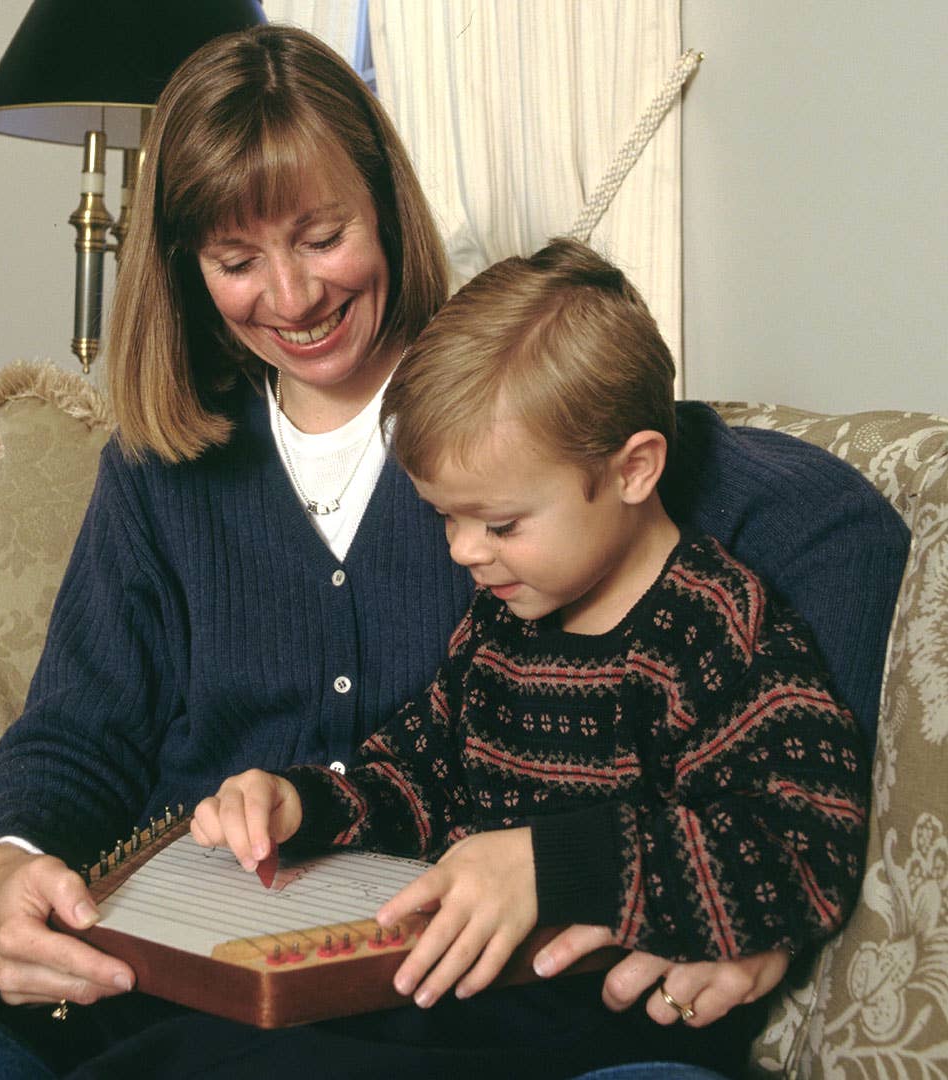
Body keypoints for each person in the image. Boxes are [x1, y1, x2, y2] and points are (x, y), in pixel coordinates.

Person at [0, 24, 907, 1080]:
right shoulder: (161, 468)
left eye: (322, 237)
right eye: (236, 260)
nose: (290, 297)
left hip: (405, 1005)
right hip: (166, 974)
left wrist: (752, 914)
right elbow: (83, 740)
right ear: (187, 267)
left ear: (386, 208)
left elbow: (820, 529)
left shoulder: (518, 419)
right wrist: (11, 868)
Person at [192, 238, 870, 1056]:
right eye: (447, 516)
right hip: (466, 996)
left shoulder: (713, 628)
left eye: (500, 524)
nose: (463, 552)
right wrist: (306, 805)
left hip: (604, 1021)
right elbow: (422, 774)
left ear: (634, 470)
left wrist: (550, 866)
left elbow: (802, 846)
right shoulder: (503, 624)